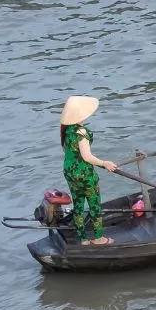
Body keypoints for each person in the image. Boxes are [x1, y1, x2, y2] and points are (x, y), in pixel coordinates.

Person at [59, 95, 117, 245]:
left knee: (78, 205)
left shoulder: (66, 131)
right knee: (94, 204)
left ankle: (83, 238)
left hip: (70, 172)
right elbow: (87, 157)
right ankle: (98, 238)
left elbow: (71, 153)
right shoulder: (81, 132)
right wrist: (105, 163)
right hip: (84, 174)